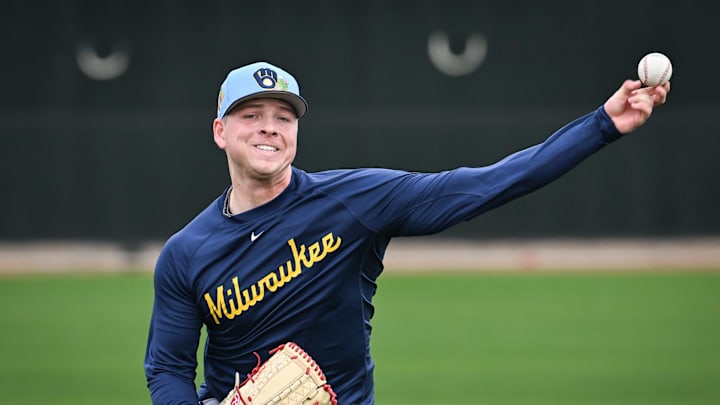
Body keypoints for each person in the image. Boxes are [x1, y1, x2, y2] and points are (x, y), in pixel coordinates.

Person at [144, 60, 670, 404]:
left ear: (296, 132)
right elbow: (167, 369)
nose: (269, 126)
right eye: (250, 115)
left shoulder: (351, 203)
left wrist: (603, 124)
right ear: (220, 132)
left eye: (283, 116)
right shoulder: (187, 253)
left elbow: (487, 185)